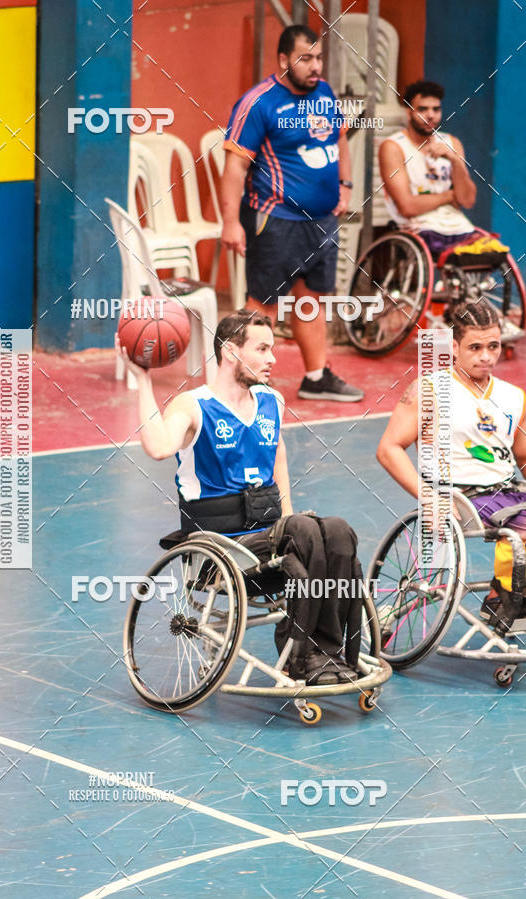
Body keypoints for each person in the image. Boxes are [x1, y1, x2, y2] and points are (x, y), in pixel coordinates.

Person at [125, 310, 363, 683]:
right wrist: (143, 380)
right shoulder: (193, 405)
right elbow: (158, 447)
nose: (272, 359)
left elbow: (277, 455)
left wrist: (288, 517)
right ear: (231, 352)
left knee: (337, 530)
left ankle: (326, 651)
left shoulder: (272, 402)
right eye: (263, 348)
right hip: (220, 547)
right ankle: (303, 656)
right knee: (304, 532)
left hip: (268, 539)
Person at [220, 24, 364, 403]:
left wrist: (346, 186)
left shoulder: (325, 93)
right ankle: (246, 382)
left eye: (318, 58)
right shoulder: (260, 102)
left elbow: (340, 139)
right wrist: (231, 222)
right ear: (283, 60)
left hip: (321, 222)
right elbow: (234, 167)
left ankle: (315, 377)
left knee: (311, 299)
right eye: (305, 59)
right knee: (263, 304)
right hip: (276, 219)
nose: (315, 66)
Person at [376, 299, 526, 631]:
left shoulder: (514, 396)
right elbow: (389, 449)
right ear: (454, 347)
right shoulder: (428, 390)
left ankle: (512, 594)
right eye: (475, 347)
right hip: (461, 497)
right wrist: (428, 496)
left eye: (493, 346)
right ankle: (502, 597)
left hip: (509, 494)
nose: (486, 356)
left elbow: (523, 457)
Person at [379, 80, 478, 259]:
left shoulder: (452, 143)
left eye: (436, 109)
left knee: (493, 252)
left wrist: (454, 160)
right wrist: (449, 196)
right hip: (419, 227)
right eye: (422, 109)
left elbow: (468, 200)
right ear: (409, 113)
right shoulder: (393, 147)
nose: (430, 115)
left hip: (458, 226)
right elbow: (407, 207)